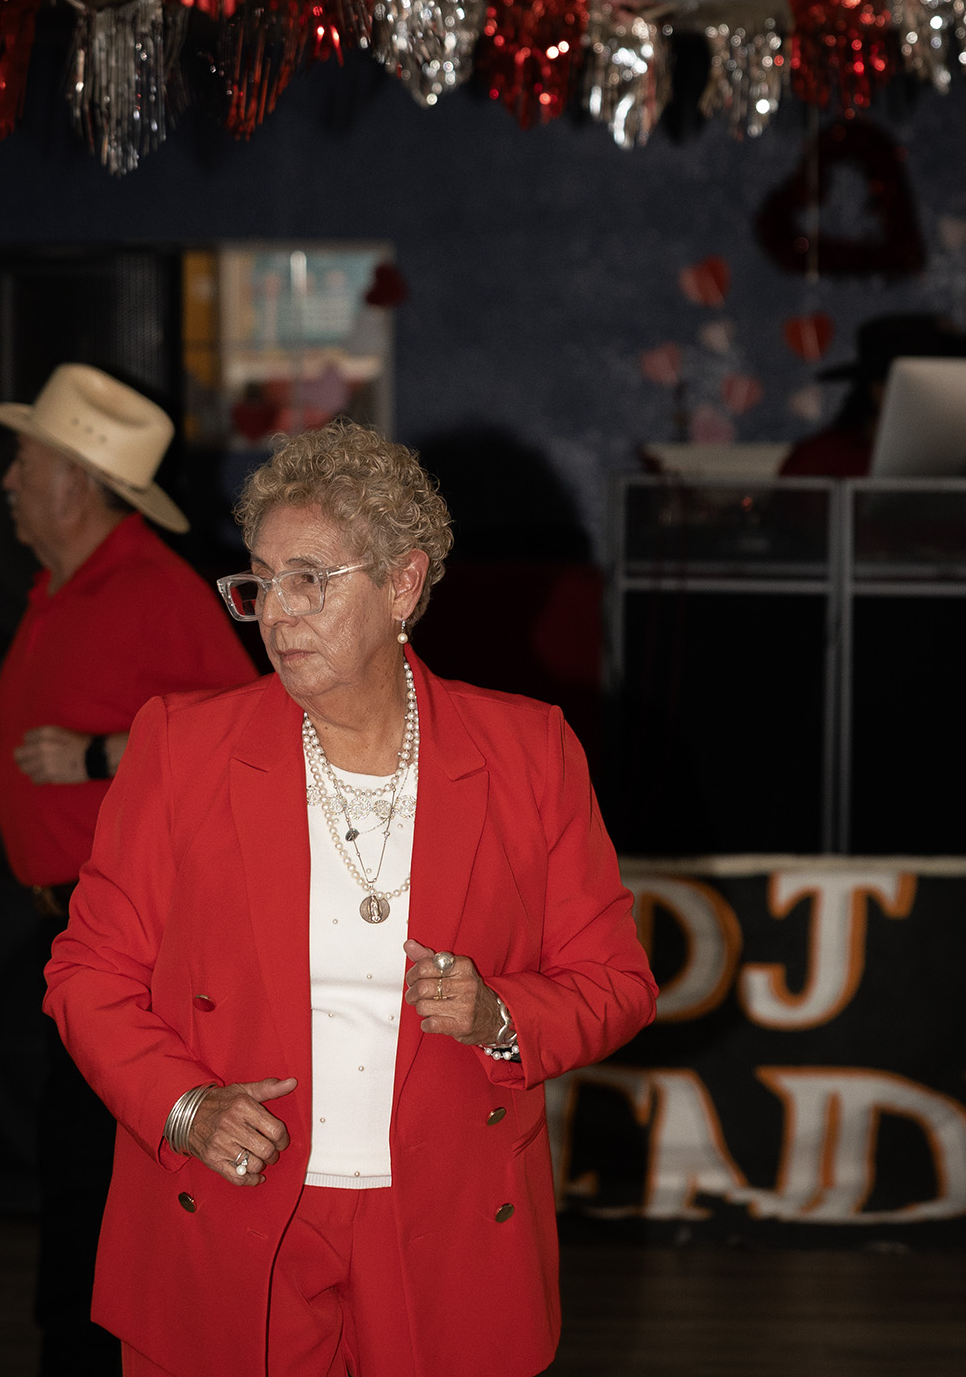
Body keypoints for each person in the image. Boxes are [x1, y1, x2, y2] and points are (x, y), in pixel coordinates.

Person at [43, 419, 659, 1377]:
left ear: (404, 584)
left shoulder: (528, 753)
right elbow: (87, 975)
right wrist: (182, 1107)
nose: (275, 614)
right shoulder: (182, 747)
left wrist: (501, 1015)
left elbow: (616, 982)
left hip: (443, 1222)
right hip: (238, 1203)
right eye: (259, 580)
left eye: (310, 580)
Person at [0, 363, 257, 1377]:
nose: (9, 482)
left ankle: (93, 1351)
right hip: (73, 924)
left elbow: (249, 741)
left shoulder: (156, 588)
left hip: (136, 941)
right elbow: (70, 708)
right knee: (77, 1171)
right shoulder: (60, 585)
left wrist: (99, 754)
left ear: (75, 478)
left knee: (91, 1175)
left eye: (24, 462)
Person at [781, 312, 966, 477]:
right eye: (932, 389)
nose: (945, 402)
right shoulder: (817, 464)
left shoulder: (948, 463)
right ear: (880, 391)